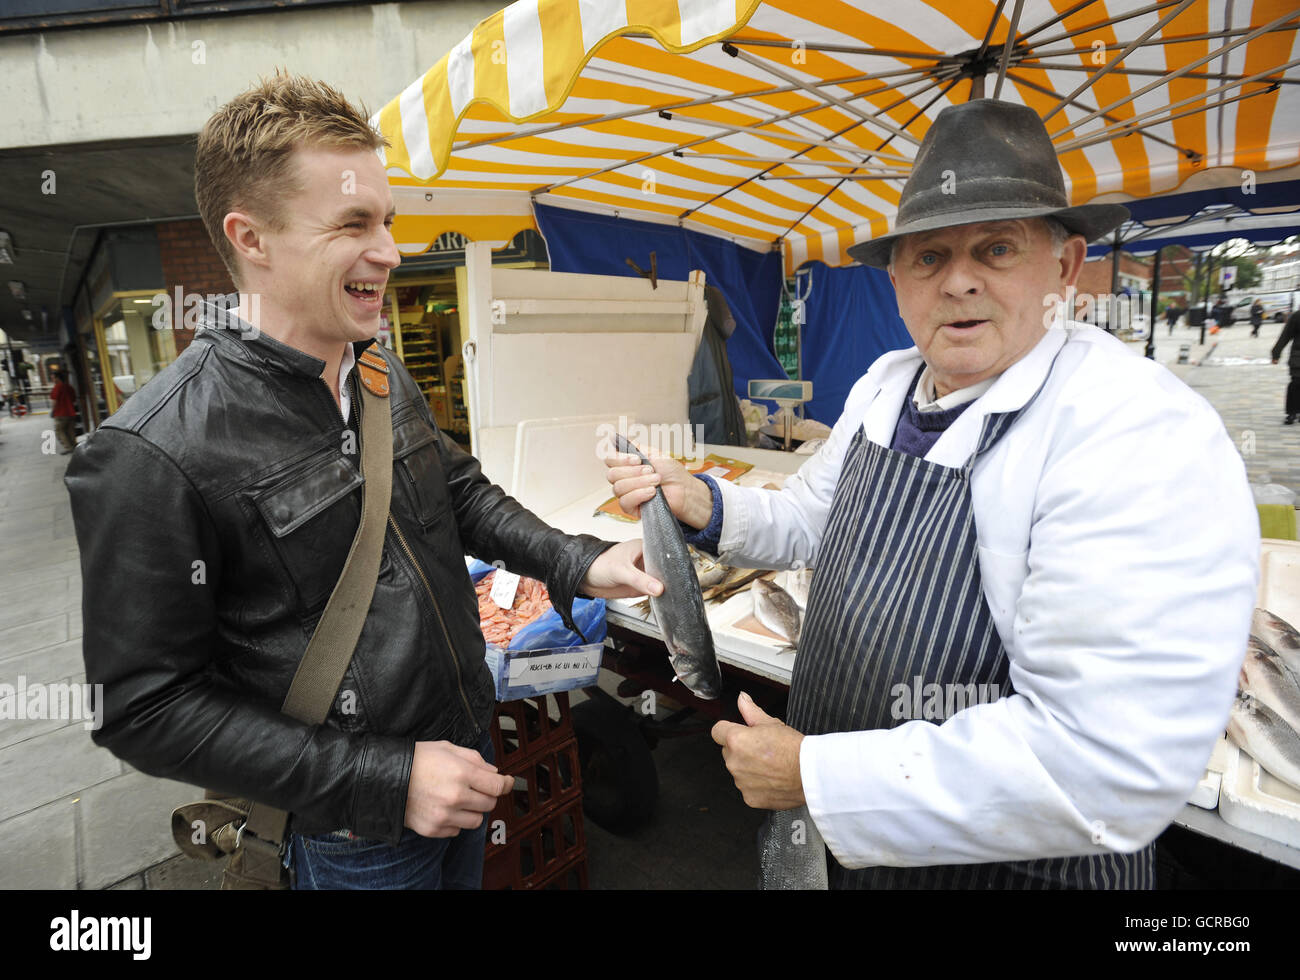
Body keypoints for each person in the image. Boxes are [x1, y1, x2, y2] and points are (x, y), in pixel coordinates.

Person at [607, 100, 1258, 889]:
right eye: (928, 257)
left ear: (1065, 264)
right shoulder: (887, 384)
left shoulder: (1134, 430)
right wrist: (705, 504)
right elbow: (813, 514)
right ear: (895, 277)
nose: (958, 282)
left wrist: (821, 778)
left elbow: (1101, 760)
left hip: (1012, 868)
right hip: (853, 837)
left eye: (995, 248)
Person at [63, 74, 659, 890]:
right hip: (352, 834)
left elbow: (458, 493)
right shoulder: (151, 450)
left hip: (465, 754)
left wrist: (577, 558)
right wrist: (386, 778)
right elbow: (145, 708)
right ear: (252, 238)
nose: (390, 250)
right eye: (353, 223)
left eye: (386, 220)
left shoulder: (377, 363)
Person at [1272, 308, 1299, 424]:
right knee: (1295, 384)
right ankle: (1292, 413)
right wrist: (1276, 353)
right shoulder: (1297, 316)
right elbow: (1286, 335)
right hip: (1298, 357)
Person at [49, 367, 78, 454]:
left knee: (60, 431)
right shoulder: (69, 387)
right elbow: (73, 399)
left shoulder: (57, 388)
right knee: (70, 430)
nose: (52, 380)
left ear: (57, 378)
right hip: (71, 412)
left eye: (53, 378)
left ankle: (68, 447)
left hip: (60, 413)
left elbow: (54, 401)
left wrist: (53, 411)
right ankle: (74, 446)